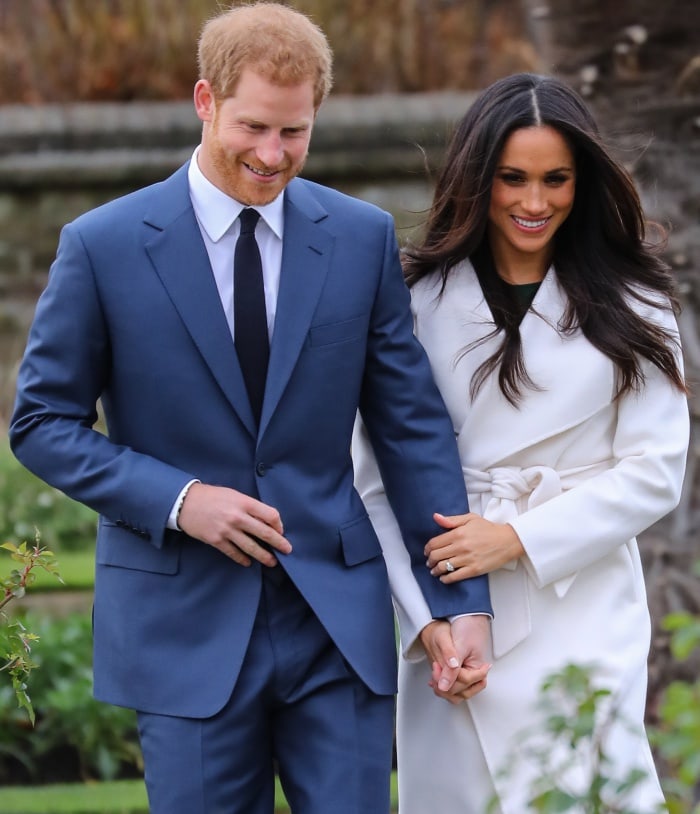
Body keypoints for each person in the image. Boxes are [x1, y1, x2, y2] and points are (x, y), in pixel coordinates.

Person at [8, 4, 493, 813]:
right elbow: (41, 425)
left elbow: (411, 427)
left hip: (335, 624)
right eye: (255, 128)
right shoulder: (102, 245)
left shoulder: (360, 237)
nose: (273, 157)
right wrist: (181, 500)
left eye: (295, 133)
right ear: (206, 100)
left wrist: (458, 601)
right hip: (183, 624)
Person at [352, 72, 690, 814]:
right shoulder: (411, 297)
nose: (534, 203)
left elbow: (657, 470)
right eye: (512, 179)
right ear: (477, 179)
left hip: (579, 598)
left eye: (555, 180)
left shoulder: (638, 302)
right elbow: (375, 479)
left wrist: (515, 538)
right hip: (448, 601)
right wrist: (429, 621)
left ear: (583, 181)